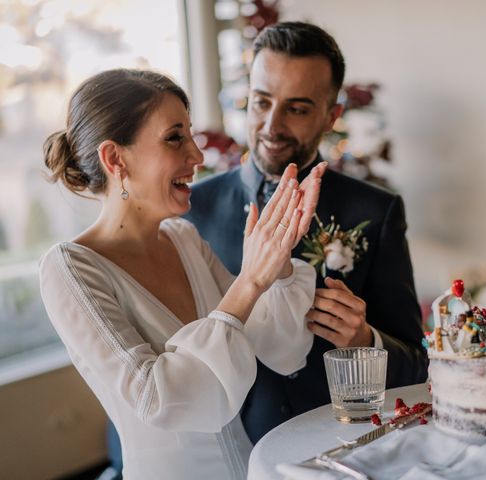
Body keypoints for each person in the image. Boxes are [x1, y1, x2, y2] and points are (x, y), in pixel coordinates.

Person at [39, 68, 328, 479]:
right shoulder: (70, 268)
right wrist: (250, 282)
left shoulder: (184, 238)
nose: (197, 155)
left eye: (190, 134)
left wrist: (277, 265)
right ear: (115, 158)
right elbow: (156, 399)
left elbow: (281, 350)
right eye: (175, 137)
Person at [185, 21, 428, 443]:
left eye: (296, 109)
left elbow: (415, 363)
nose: (271, 125)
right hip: (222, 449)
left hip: (337, 444)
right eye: (261, 102)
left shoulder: (376, 210)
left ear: (332, 115)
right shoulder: (192, 209)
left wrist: (363, 338)